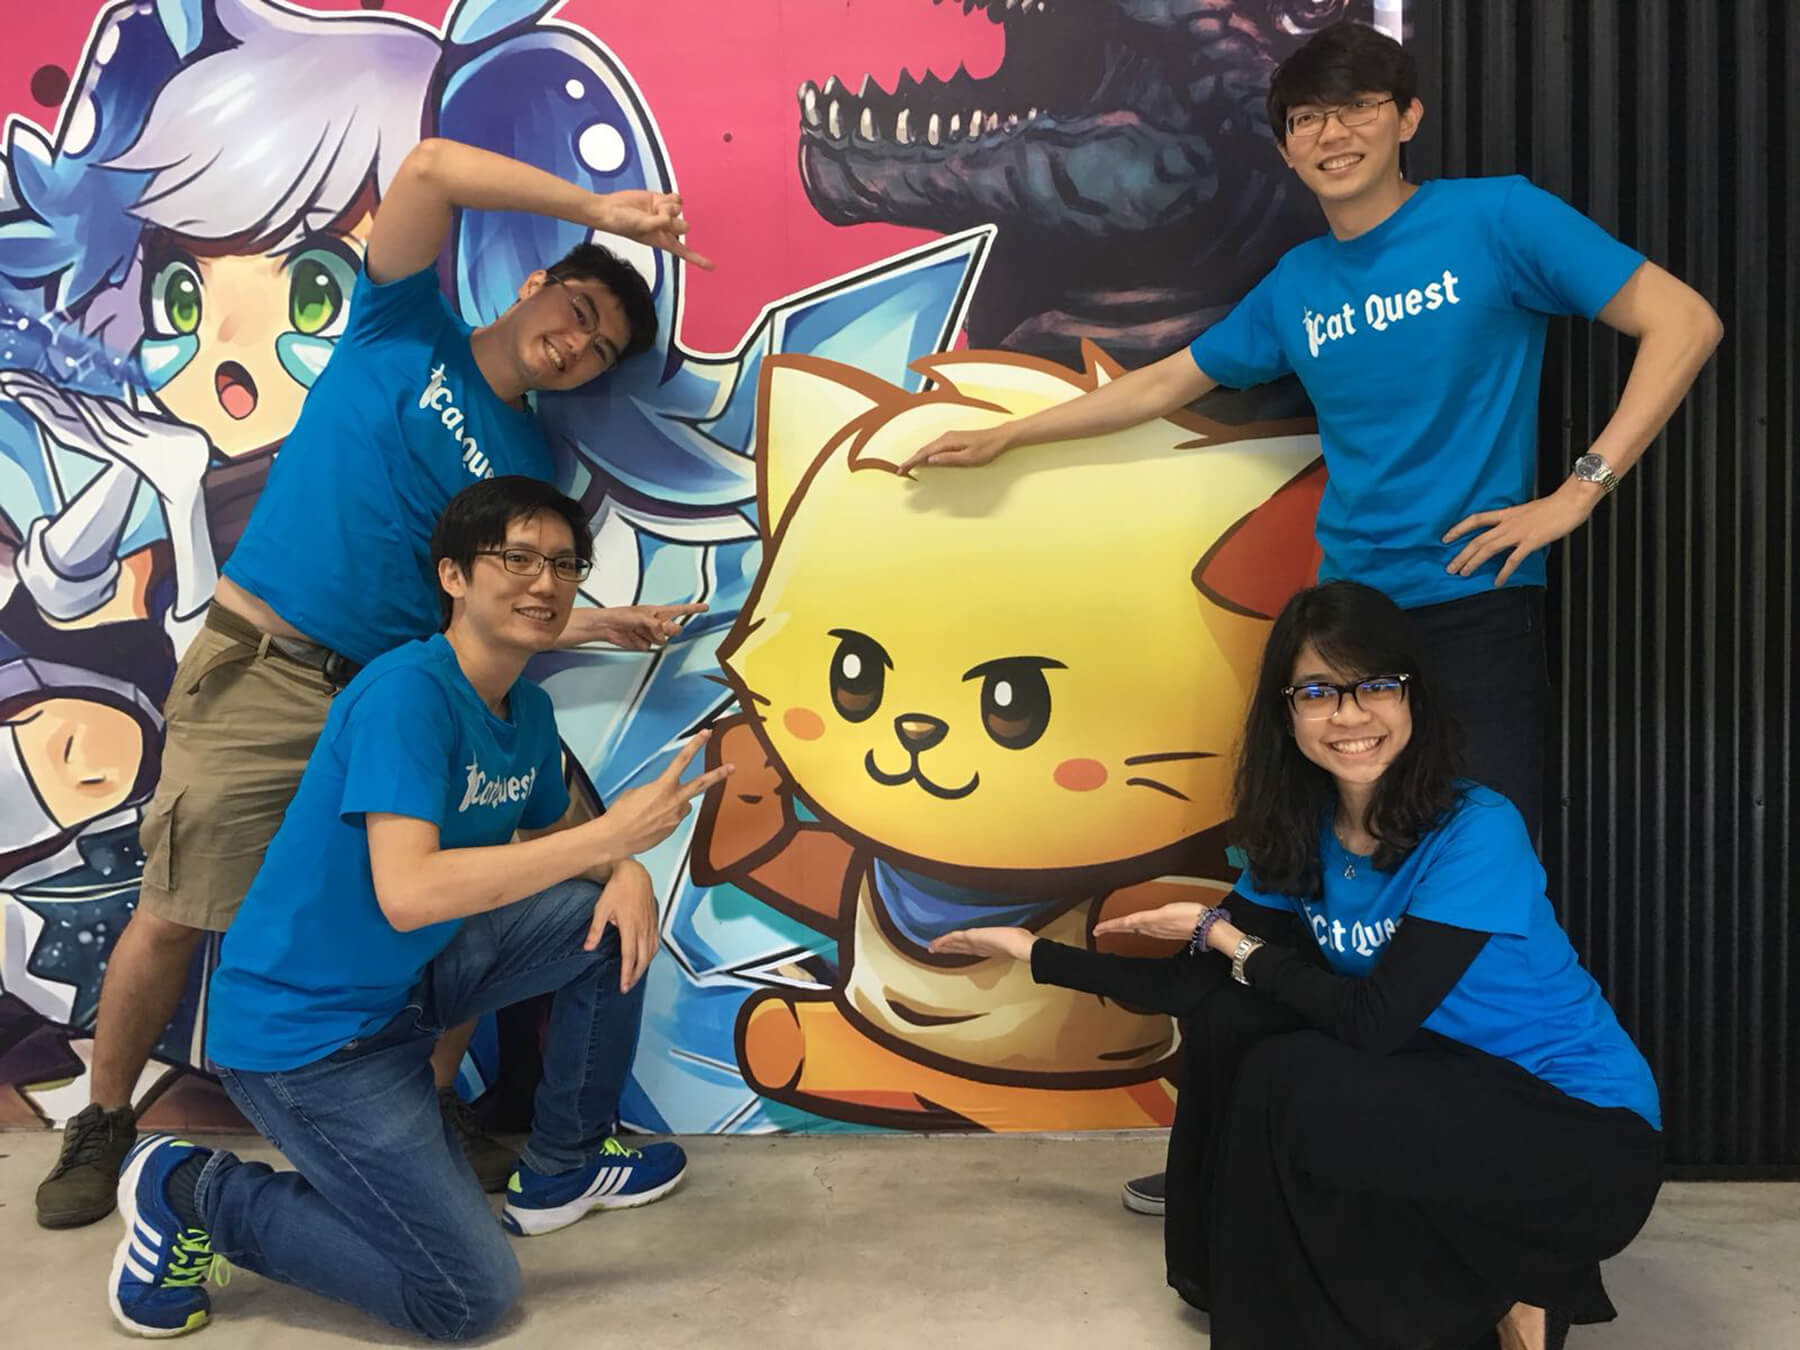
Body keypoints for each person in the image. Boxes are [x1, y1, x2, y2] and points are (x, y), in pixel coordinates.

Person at [900, 19, 1719, 1217]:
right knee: (1296, 885)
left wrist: (1574, 495)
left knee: (1469, 900)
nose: (1330, 135)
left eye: (1353, 108)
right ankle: (1267, 1136)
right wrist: (1010, 436)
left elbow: (1682, 321)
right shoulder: (1298, 286)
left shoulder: (1498, 219)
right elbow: (1171, 379)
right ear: (1285, 146)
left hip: (1474, 618)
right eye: (1304, 120)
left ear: (1407, 116)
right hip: (1341, 632)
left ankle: (1470, 1150)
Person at [35, 135, 714, 1227]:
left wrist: (595, 620)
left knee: (432, 914)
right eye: (580, 315)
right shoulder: (408, 321)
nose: (578, 345)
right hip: (268, 667)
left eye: (600, 352)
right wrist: (606, 208)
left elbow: (477, 600)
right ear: (540, 287)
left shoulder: (528, 466)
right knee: (180, 905)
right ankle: (106, 1115)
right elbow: (435, 165)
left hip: (397, 703)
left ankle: (420, 1112)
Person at [932, 581, 1662, 1350]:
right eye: (1318, 691)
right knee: (1238, 1019)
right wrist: (1037, 956)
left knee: (1295, 1073)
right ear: (1287, 711)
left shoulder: (1475, 828)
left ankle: (1514, 1280)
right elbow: (1196, 986)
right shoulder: (1306, 830)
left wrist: (1231, 941)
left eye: (1375, 685)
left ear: (1414, 697)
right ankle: (1381, 1300)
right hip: (1438, 1099)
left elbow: (1374, 1022)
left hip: (1578, 1138)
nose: (1349, 716)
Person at [108, 476, 735, 1340]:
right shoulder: (406, 693)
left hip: (406, 993)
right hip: (309, 1043)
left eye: (563, 563)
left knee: (610, 924)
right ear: (452, 576)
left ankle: (563, 1166)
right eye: (516, 558)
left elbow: (558, 824)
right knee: (467, 1297)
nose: (545, 581)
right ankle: (188, 1188)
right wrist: (604, 846)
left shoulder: (528, 710)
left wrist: (622, 865)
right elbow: (408, 893)